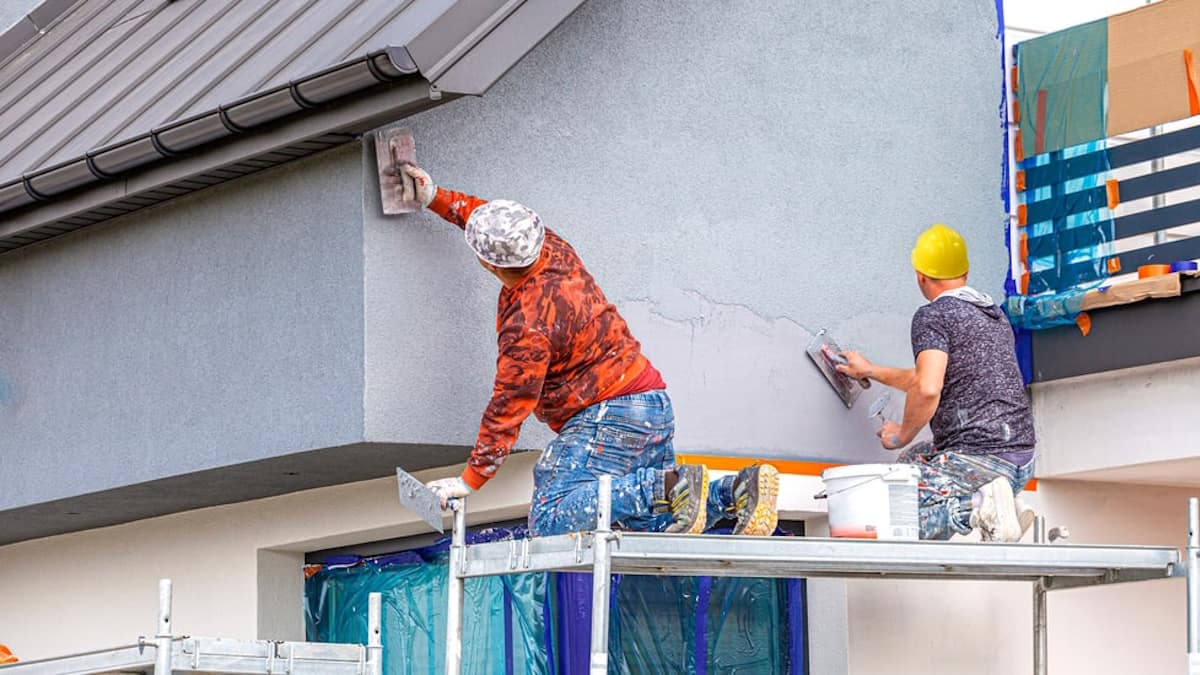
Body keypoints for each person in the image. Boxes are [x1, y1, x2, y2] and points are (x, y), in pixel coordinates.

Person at [394, 164, 779, 537]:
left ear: (487, 262)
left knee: (552, 517)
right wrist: (434, 196)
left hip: (608, 415)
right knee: (650, 524)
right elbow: (497, 225)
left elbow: (509, 403)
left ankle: (669, 485)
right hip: (652, 403)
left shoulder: (527, 323)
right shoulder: (553, 248)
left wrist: (470, 479)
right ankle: (732, 491)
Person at [836, 224, 1035, 542]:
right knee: (909, 463)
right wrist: (870, 370)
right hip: (1020, 459)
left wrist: (901, 434)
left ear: (921, 277)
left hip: (979, 458)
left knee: (895, 513)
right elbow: (929, 378)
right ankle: (1004, 504)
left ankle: (977, 510)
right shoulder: (993, 317)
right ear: (965, 272)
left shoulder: (934, 315)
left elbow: (928, 389)